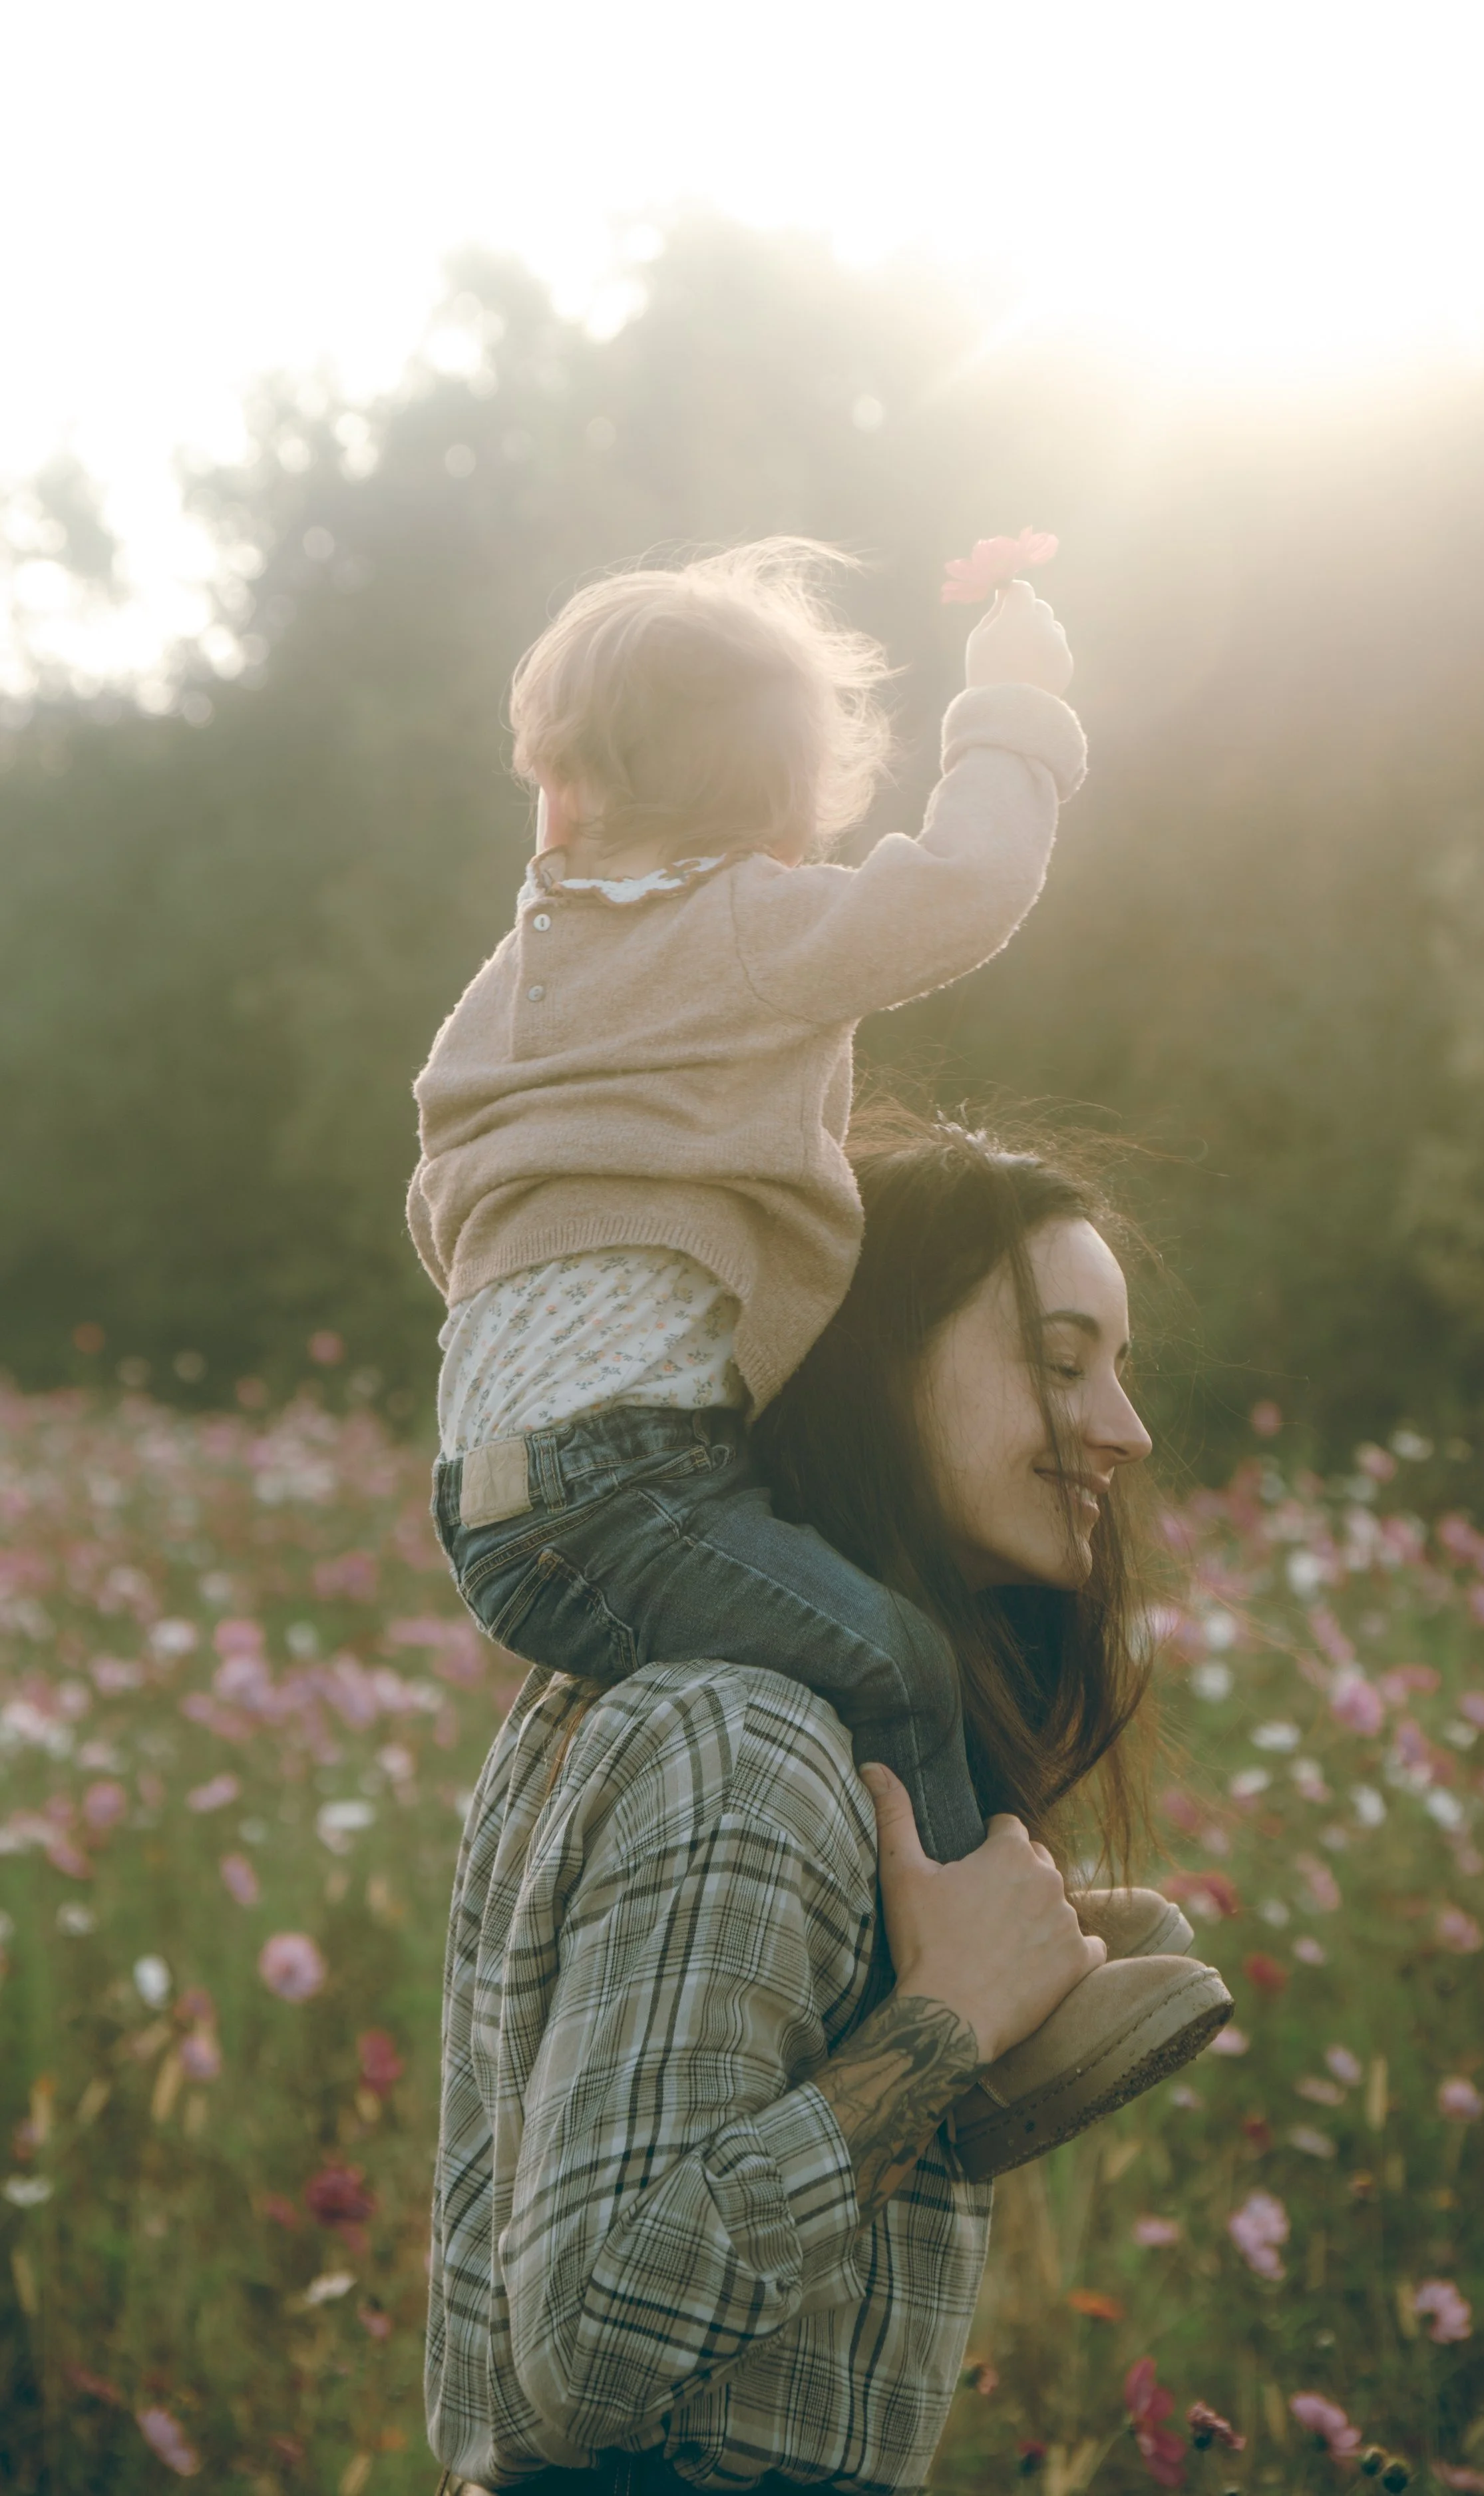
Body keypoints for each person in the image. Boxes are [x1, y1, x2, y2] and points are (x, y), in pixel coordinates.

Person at [409, 540, 1222, 2155]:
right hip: (622, 1482)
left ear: (557, 797)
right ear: (790, 816)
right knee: (895, 1654)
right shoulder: (742, 925)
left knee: (843, 1633)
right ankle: (992, 2007)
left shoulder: (526, 966)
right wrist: (1014, 704)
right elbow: (968, 888)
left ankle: (999, 1899)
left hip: (492, 1492)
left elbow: (443, 1185)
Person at [426, 1119, 1232, 2496]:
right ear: (874, 1362)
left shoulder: (800, 1727)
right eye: (1058, 1361)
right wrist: (944, 2029)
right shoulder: (745, 1740)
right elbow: (589, 2353)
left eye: (1119, 1370)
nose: (1124, 1429)